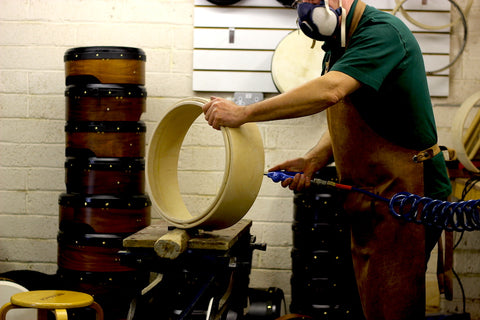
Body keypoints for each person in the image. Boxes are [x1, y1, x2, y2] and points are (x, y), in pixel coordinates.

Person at [202, 0, 452, 319]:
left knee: (394, 302)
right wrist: (313, 160)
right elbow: (354, 118)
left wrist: (244, 113)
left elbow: (330, 91)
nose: (304, 7)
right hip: (374, 193)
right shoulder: (337, 46)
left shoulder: (382, 34)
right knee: (372, 298)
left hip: (409, 190)